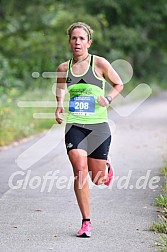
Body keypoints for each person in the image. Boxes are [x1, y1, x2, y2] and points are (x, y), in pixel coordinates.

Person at [55, 22, 123, 238]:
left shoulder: (99, 63)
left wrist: (108, 98)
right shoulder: (63, 68)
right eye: (74, 38)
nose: (77, 42)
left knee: (98, 178)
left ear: (89, 42)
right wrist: (58, 106)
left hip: (98, 127)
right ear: (69, 41)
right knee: (79, 168)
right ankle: (86, 222)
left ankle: (106, 169)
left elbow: (119, 84)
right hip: (75, 125)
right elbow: (60, 89)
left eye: (81, 38)